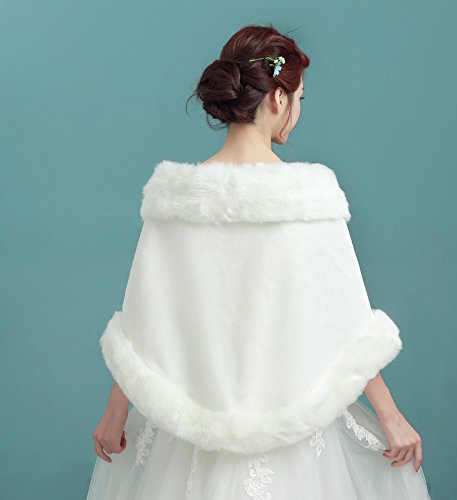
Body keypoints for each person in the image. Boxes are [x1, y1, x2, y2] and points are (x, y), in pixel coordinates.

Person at [86, 23, 431, 499]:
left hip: (194, 434)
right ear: (277, 98)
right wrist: (390, 417)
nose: (297, 112)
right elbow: (345, 322)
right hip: (292, 427)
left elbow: (147, 317)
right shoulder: (309, 199)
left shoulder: (175, 200)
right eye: (299, 99)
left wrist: (114, 414)